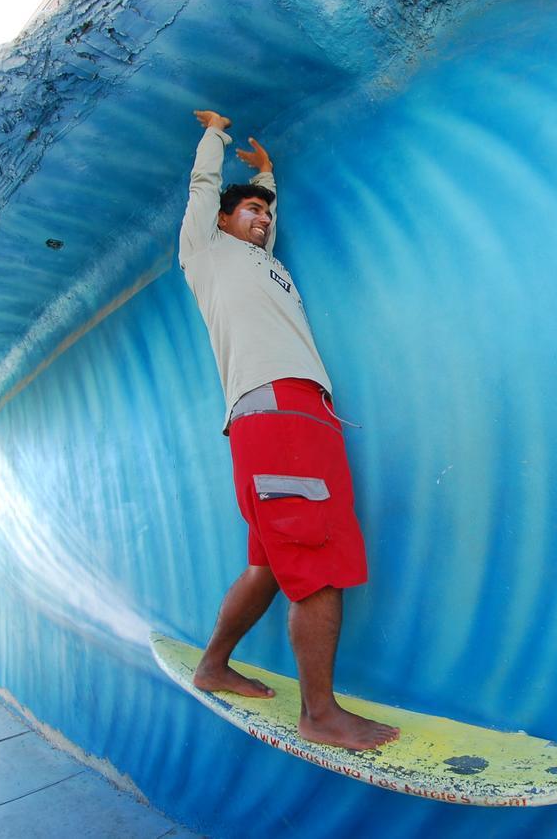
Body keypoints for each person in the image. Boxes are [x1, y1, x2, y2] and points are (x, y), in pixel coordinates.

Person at [177, 109, 399, 751]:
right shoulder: (206, 255)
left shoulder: (262, 263)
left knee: (270, 564)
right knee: (317, 558)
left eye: (266, 212)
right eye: (248, 211)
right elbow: (201, 193)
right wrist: (215, 137)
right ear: (220, 222)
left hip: (304, 412)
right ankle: (321, 714)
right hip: (274, 411)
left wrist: (269, 177)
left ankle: (213, 666)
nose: (262, 217)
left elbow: (266, 213)